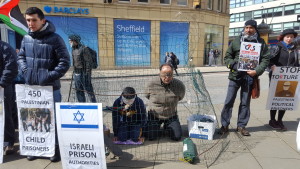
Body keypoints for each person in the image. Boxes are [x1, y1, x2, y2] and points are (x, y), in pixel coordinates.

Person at [17, 7, 70, 162]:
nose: (30, 23)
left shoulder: (55, 38)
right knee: (33, 119)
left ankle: (53, 149)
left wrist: (48, 76)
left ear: (42, 21)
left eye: (34, 20)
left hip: (50, 89)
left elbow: (65, 62)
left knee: (51, 120)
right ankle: (34, 148)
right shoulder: (26, 37)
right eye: (28, 20)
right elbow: (20, 57)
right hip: (31, 88)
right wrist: (25, 71)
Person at [219, 19, 269, 136]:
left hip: (249, 78)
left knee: (245, 103)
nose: (248, 30)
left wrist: (257, 71)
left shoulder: (260, 42)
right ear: (244, 28)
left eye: (251, 28)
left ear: (255, 29)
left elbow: (266, 59)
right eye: (246, 27)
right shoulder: (236, 41)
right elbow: (227, 57)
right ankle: (224, 124)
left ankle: (241, 126)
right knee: (228, 101)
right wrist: (233, 65)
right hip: (235, 76)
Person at [268, 29, 299, 131]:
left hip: (290, 77)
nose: (289, 39)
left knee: (286, 99)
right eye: (287, 37)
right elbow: (269, 60)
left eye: (291, 37)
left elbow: (296, 64)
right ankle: (272, 120)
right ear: (283, 37)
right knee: (275, 99)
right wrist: (272, 66)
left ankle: (280, 120)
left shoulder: (295, 49)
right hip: (277, 77)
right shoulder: (277, 47)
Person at [145, 64, 185, 141]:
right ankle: (152, 125)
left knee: (177, 137)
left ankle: (168, 125)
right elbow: (147, 95)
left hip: (171, 115)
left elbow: (180, 97)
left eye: (169, 75)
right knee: (151, 137)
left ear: (173, 74)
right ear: (160, 73)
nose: (167, 78)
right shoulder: (151, 84)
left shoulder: (179, 85)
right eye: (164, 75)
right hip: (154, 115)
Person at [0, 41, 18, 155]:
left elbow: (11, 67)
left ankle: (8, 142)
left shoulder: (5, 47)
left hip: (3, 87)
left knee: (5, 115)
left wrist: (2, 83)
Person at [69, 34, 96, 103]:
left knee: (88, 89)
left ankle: (94, 104)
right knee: (79, 90)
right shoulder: (73, 49)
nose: (69, 42)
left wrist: (87, 74)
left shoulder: (84, 49)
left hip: (84, 72)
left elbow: (88, 62)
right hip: (77, 72)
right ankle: (82, 105)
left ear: (75, 41)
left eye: (70, 41)